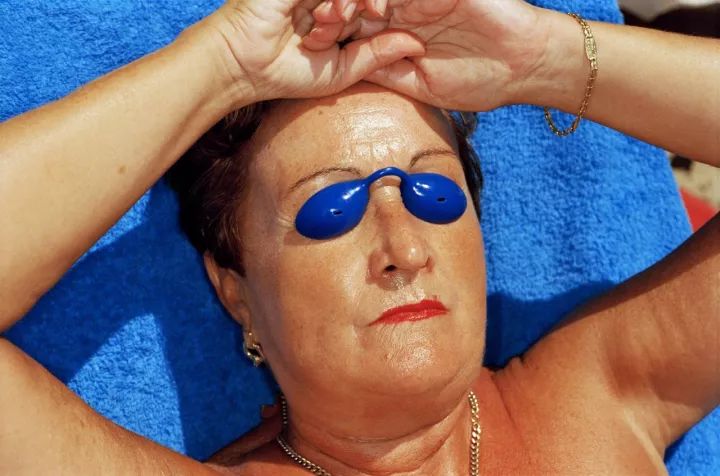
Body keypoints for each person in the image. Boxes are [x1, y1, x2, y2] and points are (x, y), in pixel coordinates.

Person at [0, 0, 717, 474]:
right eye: (331, 209)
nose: (405, 248)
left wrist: (546, 62)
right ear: (236, 291)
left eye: (435, 193)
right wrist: (218, 68)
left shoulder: (597, 397)